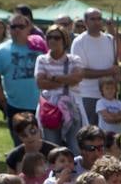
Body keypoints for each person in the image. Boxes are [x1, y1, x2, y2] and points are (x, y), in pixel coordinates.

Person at [0, 16, 42, 145]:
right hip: (15, 106)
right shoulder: (0, 51)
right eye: (13, 27)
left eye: (21, 26)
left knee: (42, 145)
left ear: (29, 28)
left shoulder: (40, 47)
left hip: (41, 106)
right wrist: (3, 102)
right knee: (21, 146)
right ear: (8, 29)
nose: (17, 30)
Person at [33, 24, 83, 154]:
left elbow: (77, 78)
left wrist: (53, 78)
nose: (52, 41)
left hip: (71, 108)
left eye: (56, 37)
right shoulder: (42, 59)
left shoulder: (74, 59)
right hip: (50, 109)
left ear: (64, 40)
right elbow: (40, 83)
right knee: (53, 149)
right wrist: (66, 80)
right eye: (49, 37)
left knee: (74, 148)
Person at [69, 8, 120, 127]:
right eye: (93, 19)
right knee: (91, 133)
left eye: (99, 19)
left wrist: (116, 74)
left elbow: (115, 64)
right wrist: (108, 72)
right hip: (88, 95)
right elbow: (81, 72)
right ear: (86, 22)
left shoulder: (110, 39)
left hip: (110, 95)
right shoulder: (79, 42)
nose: (97, 22)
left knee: (110, 133)